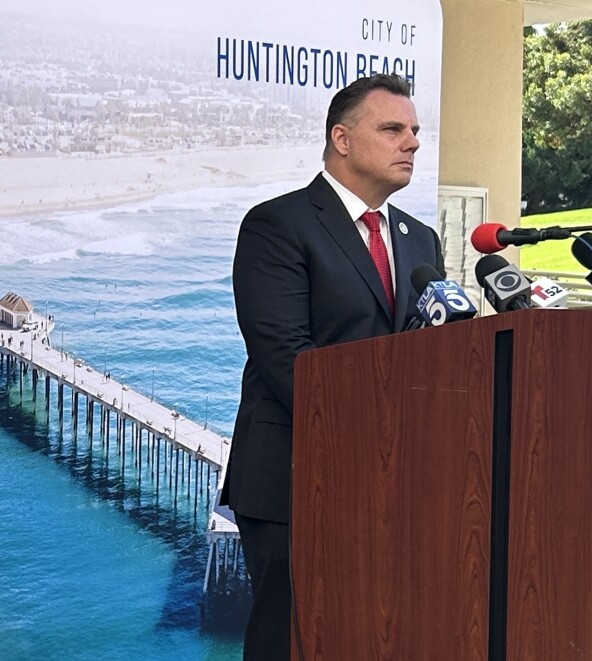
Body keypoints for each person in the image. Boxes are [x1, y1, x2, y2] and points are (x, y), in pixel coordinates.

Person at [221, 73, 445, 660]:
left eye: (416, 131)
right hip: (294, 481)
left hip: (394, 484)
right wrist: (387, 430)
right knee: (289, 639)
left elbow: (432, 353)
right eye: (393, 129)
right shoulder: (278, 225)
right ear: (342, 140)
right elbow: (287, 359)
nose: (413, 143)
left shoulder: (419, 240)